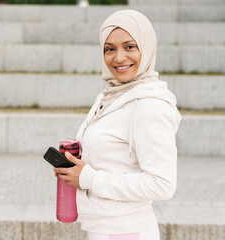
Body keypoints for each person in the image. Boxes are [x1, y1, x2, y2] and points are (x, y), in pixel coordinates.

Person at [54, 10, 182, 240]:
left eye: (130, 46)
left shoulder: (149, 104)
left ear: (146, 46)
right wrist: (73, 169)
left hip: (126, 232)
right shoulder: (111, 95)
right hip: (105, 230)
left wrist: (89, 178)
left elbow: (162, 184)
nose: (119, 58)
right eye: (110, 49)